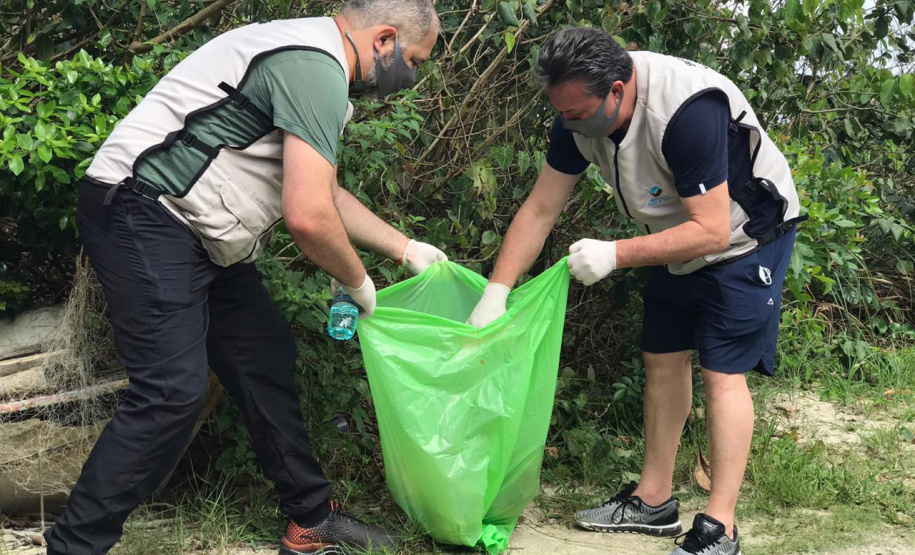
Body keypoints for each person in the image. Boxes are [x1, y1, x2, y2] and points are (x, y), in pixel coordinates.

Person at [44, 1, 446, 554]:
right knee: (170, 392)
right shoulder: (314, 67)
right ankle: (72, 547)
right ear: (384, 40)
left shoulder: (312, 57)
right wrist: (358, 282)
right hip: (146, 209)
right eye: (414, 60)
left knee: (263, 354)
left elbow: (324, 192)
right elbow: (308, 217)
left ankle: (311, 521)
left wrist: (406, 249)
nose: (411, 74)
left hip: (196, 229)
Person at [466, 27, 805, 555]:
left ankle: (720, 527)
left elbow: (713, 231)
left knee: (722, 373)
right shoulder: (576, 111)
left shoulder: (687, 112)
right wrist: (496, 292)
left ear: (618, 90)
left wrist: (615, 254)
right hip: (675, 234)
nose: (568, 122)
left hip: (745, 233)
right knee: (662, 358)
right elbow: (540, 209)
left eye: (578, 113)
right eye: (561, 112)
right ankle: (653, 501)